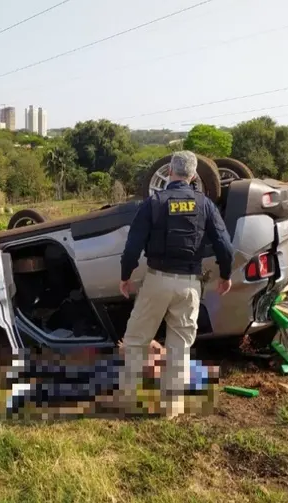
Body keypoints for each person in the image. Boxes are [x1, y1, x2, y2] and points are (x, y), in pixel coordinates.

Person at [118, 150, 234, 418]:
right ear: (193, 175)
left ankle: (128, 401)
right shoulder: (204, 204)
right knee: (179, 347)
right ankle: (172, 408)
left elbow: (132, 246)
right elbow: (225, 247)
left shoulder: (154, 203)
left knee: (136, 341)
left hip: (157, 281)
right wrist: (226, 276)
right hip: (190, 285)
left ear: (169, 171)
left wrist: (125, 276)